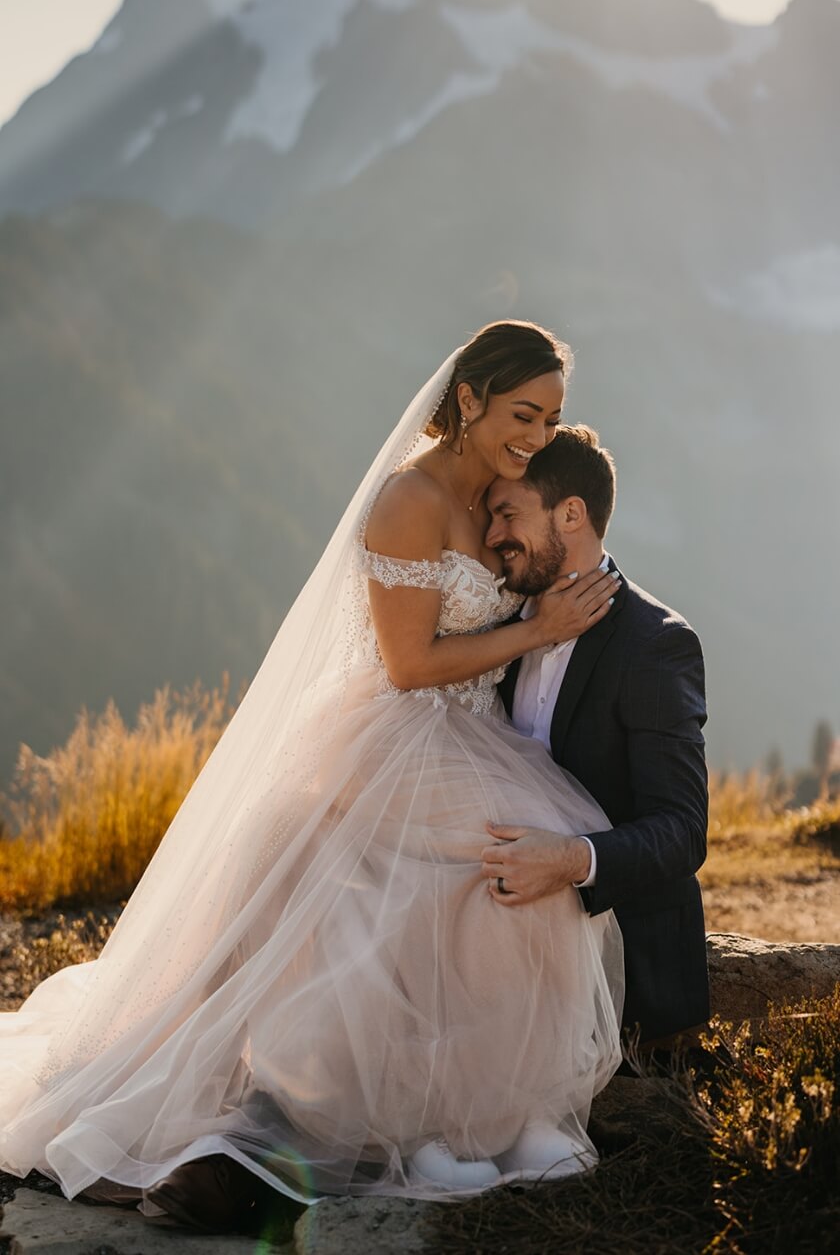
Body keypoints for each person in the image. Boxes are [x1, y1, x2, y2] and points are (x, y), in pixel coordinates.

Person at [0, 322, 624, 1232]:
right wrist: (539, 632)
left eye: (553, 417)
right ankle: (404, 1126)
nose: (536, 434)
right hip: (401, 732)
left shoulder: (506, 487)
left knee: (492, 886)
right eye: (523, 412)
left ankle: (476, 1117)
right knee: (463, 868)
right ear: (472, 397)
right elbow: (408, 665)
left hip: (475, 737)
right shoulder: (408, 498)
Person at [481, 426, 710, 1050]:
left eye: (508, 514)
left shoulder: (656, 644)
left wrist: (568, 860)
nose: (493, 535)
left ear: (572, 514)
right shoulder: (495, 625)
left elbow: (683, 831)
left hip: (623, 977)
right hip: (494, 963)